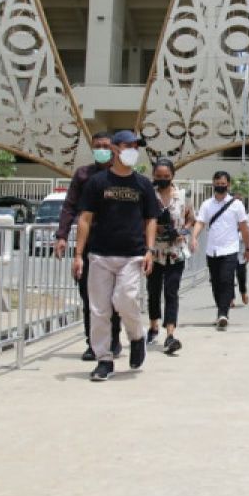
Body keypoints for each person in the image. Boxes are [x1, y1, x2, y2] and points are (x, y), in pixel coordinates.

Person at [72, 130, 160, 382]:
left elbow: (151, 218)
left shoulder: (142, 184)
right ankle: (104, 359)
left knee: (125, 299)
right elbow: (85, 218)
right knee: (99, 309)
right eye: (127, 145)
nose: (132, 150)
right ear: (114, 149)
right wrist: (78, 254)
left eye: (136, 146)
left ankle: (136, 337)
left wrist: (149, 250)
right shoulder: (98, 183)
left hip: (132, 255)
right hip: (99, 254)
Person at [54, 131, 122, 361]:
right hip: (90, 244)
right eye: (98, 146)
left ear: (114, 148)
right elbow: (69, 206)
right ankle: (93, 344)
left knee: (114, 298)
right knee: (90, 298)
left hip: (116, 244)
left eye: (106, 145)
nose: (102, 149)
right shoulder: (83, 175)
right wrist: (62, 236)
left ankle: (114, 339)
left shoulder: (121, 175)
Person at [192, 171, 249, 330]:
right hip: (212, 250)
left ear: (228, 185)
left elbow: (244, 229)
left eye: (223, 184)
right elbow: (200, 223)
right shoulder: (207, 204)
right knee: (216, 283)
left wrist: (248, 248)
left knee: (226, 281)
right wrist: (194, 237)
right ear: (213, 184)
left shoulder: (236, 205)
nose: (220, 187)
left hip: (230, 250)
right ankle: (221, 310)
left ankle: (223, 313)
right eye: (217, 184)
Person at [148, 158, 194, 356]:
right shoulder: (149, 195)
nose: (162, 180)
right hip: (154, 252)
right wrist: (154, 228)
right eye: (158, 176)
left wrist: (183, 232)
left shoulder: (182, 196)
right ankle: (153, 325)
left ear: (173, 176)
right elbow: (142, 219)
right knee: (153, 291)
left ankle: (170, 334)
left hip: (175, 252)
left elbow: (191, 218)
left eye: (166, 176)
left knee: (171, 292)